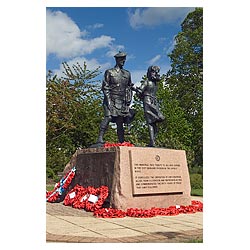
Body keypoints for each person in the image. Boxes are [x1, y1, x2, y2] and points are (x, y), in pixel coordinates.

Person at [96, 52, 135, 145]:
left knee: (120, 121)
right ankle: (100, 138)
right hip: (111, 98)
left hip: (121, 101)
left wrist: (129, 99)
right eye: (121, 59)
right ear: (117, 60)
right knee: (108, 117)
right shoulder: (109, 72)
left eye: (124, 59)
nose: (123, 61)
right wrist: (109, 101)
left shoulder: (127, 73)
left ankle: (121, 141)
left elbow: (129, 87)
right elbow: (105, 87)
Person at [135, 66, 165, 147]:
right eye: (154, 72)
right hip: (148, 101)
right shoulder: (146, 82)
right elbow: (140, 91)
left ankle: (153, 140)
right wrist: (138, 91)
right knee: (150, 122)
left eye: (156, 72)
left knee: (156, 121)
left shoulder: (155, 83)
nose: (156, 74)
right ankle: (152, 141)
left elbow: (140, 93)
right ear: (149, 73)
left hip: (154, 102)